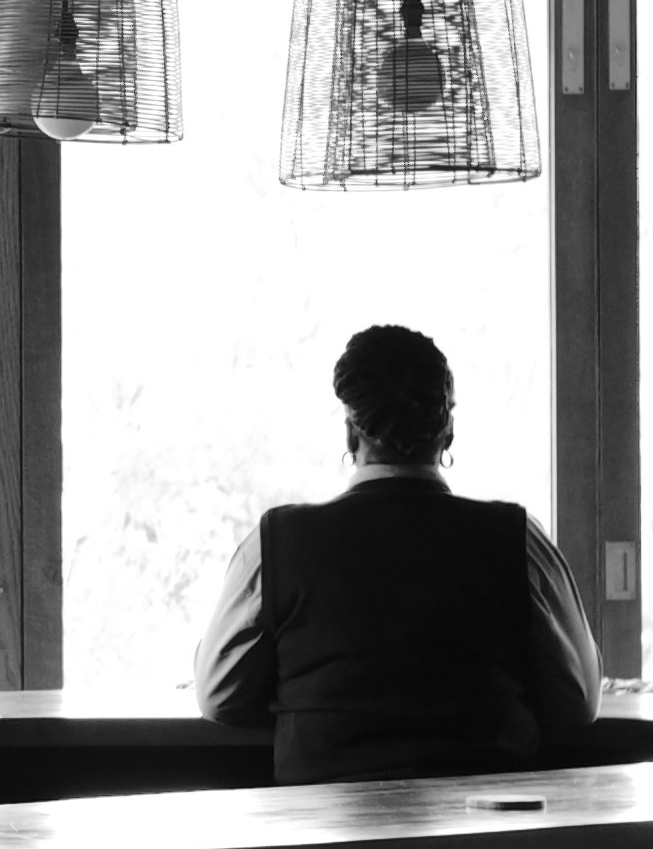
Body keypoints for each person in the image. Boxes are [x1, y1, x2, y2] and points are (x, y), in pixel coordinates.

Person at [194, 323, 602, 783]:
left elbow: (218, 697)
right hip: (483, 835)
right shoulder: (518, 541)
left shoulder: (277, 545)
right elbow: (578, 703)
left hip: (325, 839)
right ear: (447, 430)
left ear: (351, 434)